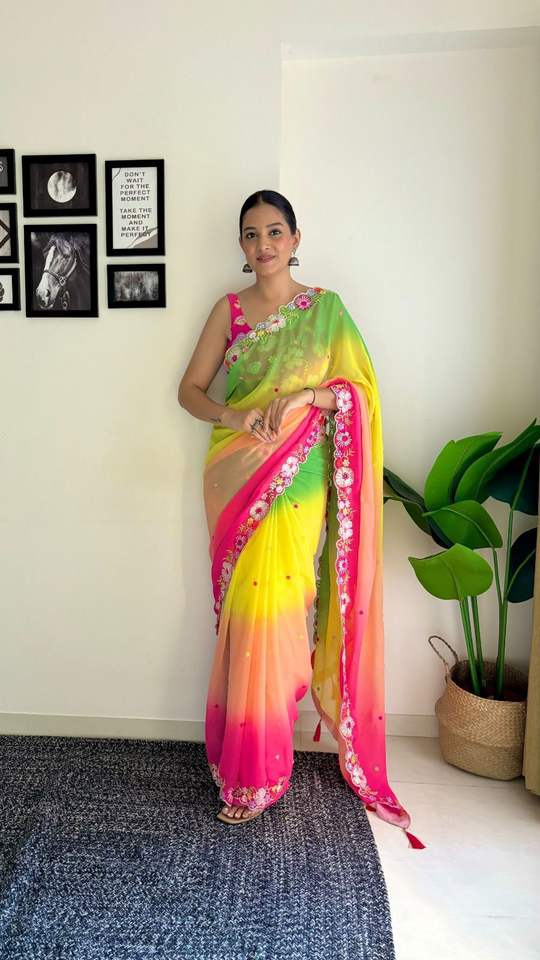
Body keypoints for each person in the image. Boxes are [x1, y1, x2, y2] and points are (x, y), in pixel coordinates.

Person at [177, 189, 425, 848]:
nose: (263, 245)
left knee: (282, 615)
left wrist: (305, 397)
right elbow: (189, 391)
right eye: (251, 234)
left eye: (274, 232)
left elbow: (359, 394)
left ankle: (263, 763)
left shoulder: (327, 310)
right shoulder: (228, 310)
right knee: (247, 616)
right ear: (241, 244)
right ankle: (246, 765)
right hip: (237, 473)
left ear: (294, 238)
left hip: (300, 480)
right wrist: (234, 415)